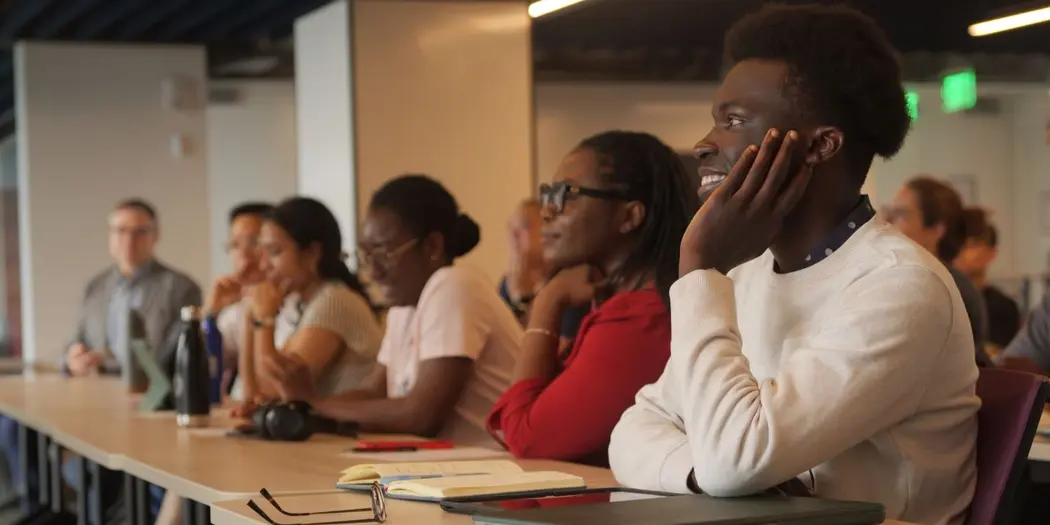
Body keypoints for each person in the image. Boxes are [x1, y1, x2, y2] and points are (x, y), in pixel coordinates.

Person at [608, 6, 979, 525]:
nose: (704, 144)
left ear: (821, 145)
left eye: (733, 121)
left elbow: (736, 462)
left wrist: (698, 267)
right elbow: (633, 430)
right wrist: (700, 471)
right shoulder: (746, 275)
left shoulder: (900, 287)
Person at [260, 175, 522, 445]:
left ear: (433, 246)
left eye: (383, 253)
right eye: (366, 255)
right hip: (450, 474)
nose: (372, 271)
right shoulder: (404, 307)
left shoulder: (455, 284)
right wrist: (295, 408)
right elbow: (375, 392)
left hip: (496, 474)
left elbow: (422, 415)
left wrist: (313, 404)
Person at [486, 131, 696, 466]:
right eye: (549, 193)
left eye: (567, 193)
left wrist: (546, 304)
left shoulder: (642, 319)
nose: (548, 211)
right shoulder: (617, 307)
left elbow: (527, 439)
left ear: (629, 217)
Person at [0, 199, 201, 520]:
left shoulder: (179, 287)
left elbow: (173, 354)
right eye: (120, 231)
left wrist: (123, 367)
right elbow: (72, 342)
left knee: (102, 463)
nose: (128, 240)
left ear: (155, 236)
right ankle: (41, 511)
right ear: (110, 236)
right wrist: (73, 359)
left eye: (139, 232)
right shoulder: (97, 286)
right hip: (92, 399)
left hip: (144, 402)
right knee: (14, 426)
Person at [230, 197, 382, 412]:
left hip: (354, 438)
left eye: (274, 252)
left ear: (312, 253)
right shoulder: (304, 303)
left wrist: (264, 318)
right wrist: (249, 315)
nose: (264, 265)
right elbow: (251, 396)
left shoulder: (334, 301)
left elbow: (270, 391)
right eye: (262, 252)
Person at [884, 177, 992, 366]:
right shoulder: (914, 280)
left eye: (900, 214)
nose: (887, 221)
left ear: (937, 229)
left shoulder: (942, 287)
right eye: (888, 212)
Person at [498, 199, 588, 345]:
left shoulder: (570, 281)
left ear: (548, 231)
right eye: (510, 227)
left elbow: (556, 357)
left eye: (524, 226)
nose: (513, 235)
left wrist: (524, 300)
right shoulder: (507, 285)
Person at [954, 208, 1021, 350]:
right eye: (959, 244)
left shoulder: (1003, 306)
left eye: (971, 245)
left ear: (991, 252)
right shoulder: (945, 299)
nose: (961, 252)